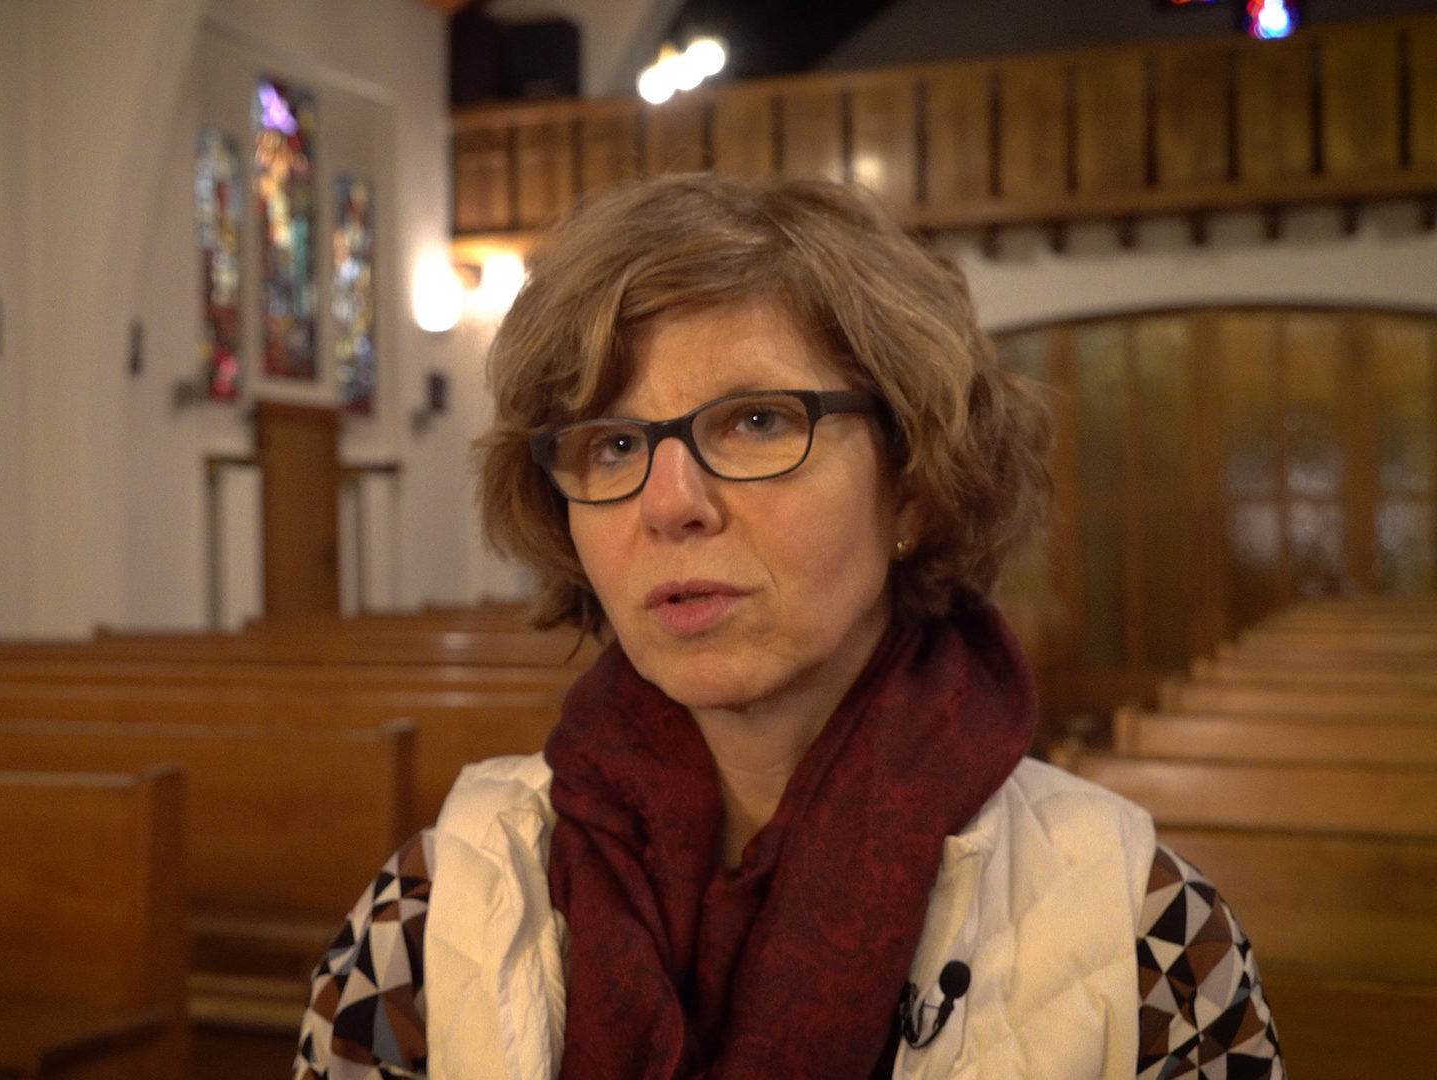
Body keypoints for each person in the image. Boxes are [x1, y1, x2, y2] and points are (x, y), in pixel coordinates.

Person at [293, 174, 1283, 1080]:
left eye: (758, 421)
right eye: (613, 443)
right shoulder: (431, 911)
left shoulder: (1143, 921)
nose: (670, 502)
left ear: (913, 488)